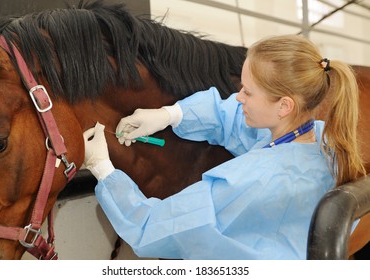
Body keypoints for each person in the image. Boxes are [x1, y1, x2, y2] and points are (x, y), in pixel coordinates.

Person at [83, 34, 366, 259]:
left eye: (247, 91)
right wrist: (169, 115)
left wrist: (103, 170)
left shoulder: (249, 181)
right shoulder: (322, 142)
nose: (238, 97)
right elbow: (231, 118)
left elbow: (153, 227)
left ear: (284, 106)